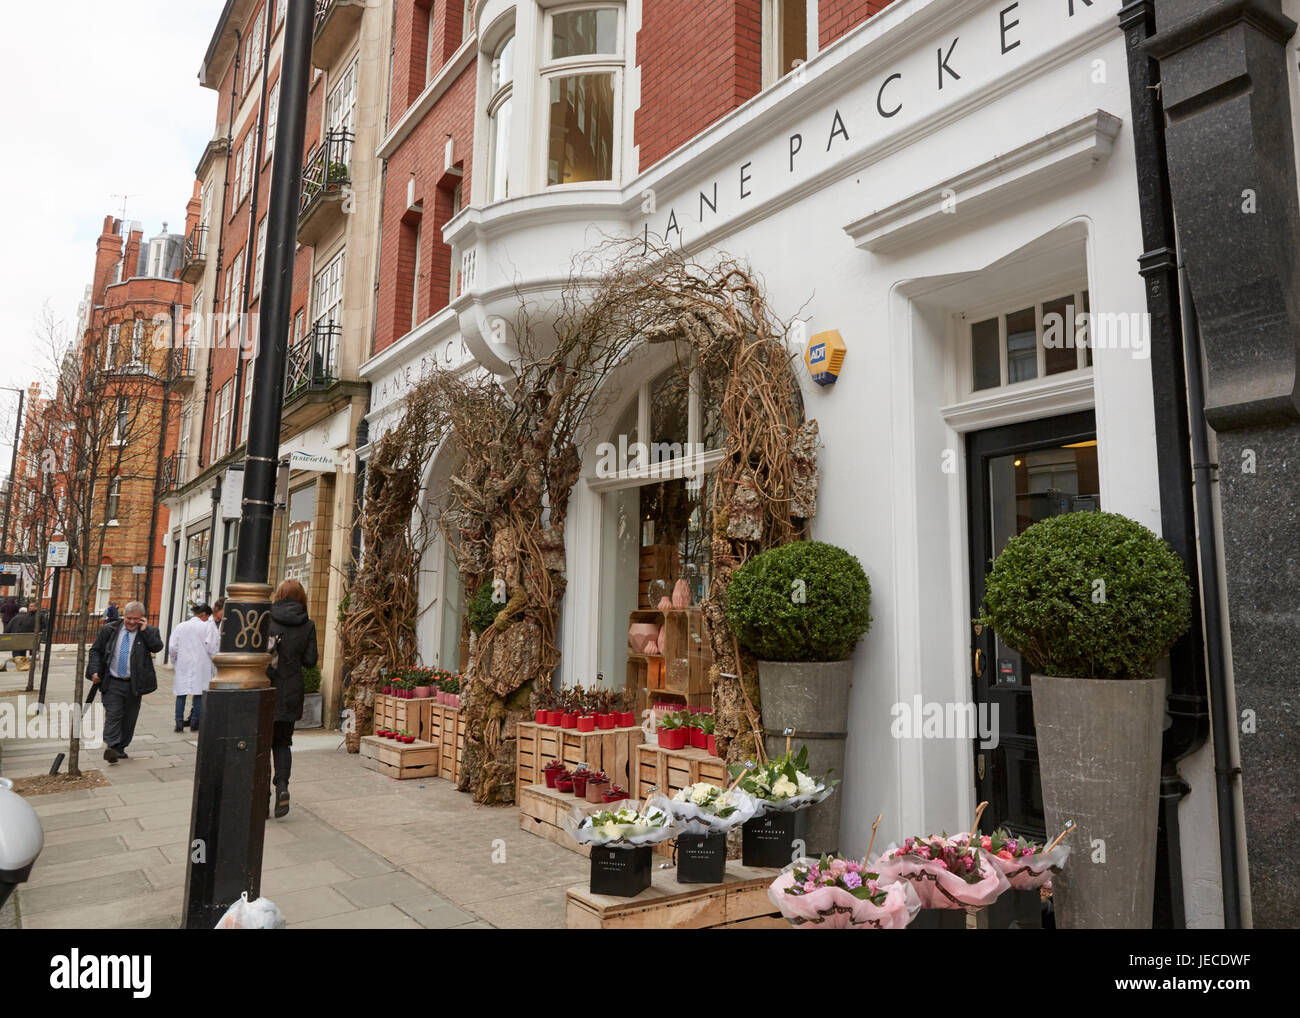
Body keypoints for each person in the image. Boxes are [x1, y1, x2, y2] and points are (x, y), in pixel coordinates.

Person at [87, 601, 163, 764]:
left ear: (142, 619)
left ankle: (120, 748)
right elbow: (95, 650)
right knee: (114, 714)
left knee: (129, 718)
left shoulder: (148, 632)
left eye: (136, 619)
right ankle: (112, 747)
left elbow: (157, 647)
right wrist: (94, 671)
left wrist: (146, 631)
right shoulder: (110, 629)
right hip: (112, 681)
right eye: (129, 618)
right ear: (123, 615)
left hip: (134, 684)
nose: (132, 622)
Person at [266, 579, 316, 818]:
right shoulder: (308, 625)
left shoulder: (266, 619)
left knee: (262, 744)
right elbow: (310, 661)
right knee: (283, 742)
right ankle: (282, 786)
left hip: (267, 687)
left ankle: (261, 795)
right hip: (292, 689)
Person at [168, 603, 217, 733]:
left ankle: (178, 723)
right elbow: (212, 648)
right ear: (204, 615)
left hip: (183, 663)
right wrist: (214, 663)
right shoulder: (207, 627)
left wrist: (175, 660)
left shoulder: (180, 626)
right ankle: (195, 723)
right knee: (199, 693)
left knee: (181, 693)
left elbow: (172, 647)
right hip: (202, 664)